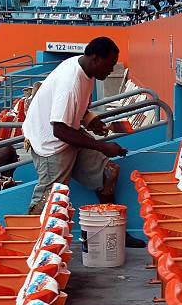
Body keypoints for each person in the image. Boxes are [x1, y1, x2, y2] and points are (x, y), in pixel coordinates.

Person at [22, 37, 145, 248]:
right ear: (95, 59)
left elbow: (74, 109)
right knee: (50, 201)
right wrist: (102, 146)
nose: (110, 70)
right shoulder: (70, 83)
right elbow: (59, 129)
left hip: (68, 133)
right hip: (50, 143)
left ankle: (110, 231)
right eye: (109, 64)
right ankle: (33, 248)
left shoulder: (86, 70)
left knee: (109, 172)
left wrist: (91, 120)